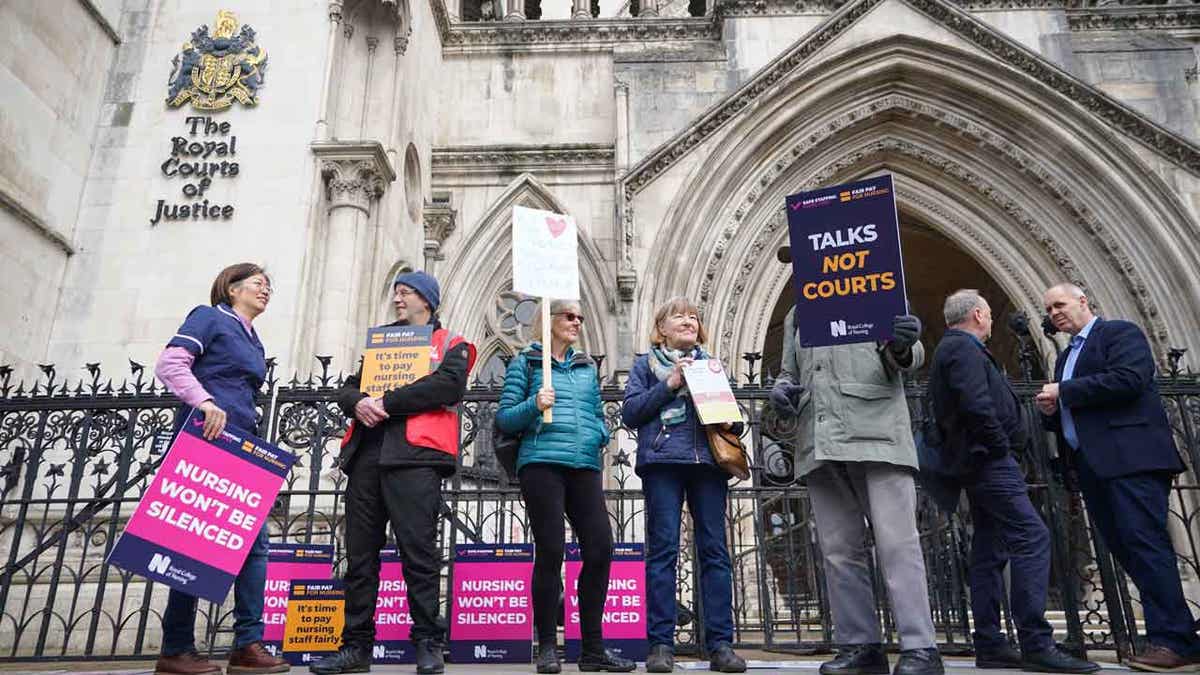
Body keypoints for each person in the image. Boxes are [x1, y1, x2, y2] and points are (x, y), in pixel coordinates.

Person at [770, 248, 942, 675]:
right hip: (819, 441)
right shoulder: (798, 313)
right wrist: (782, 389)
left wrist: (905, 344)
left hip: (876, 434)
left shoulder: (878, 293)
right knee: (838, 550)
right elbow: (790, 371)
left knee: (897, 545)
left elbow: (906, 359)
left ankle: (920, 648)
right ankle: (861, 645)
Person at [311, 271, 476, 675]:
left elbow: (447, 387)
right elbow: (348, 387)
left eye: (406, 293)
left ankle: (427, 642)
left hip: (416, 458)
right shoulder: (384, 341)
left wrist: (385, 400)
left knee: (419, 554)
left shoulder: (450, 343)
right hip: (368, 456)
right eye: (396, 293)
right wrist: (358, 402)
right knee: (361, 557)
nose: (398, 300)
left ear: (427, 301)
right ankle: (356, 646)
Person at [929, 290, 1098, 673]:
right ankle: (1036, 642)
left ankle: (990, 643)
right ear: (977, 314)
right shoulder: (962, 349)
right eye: (988, 315)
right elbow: (976, 404)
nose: (990, 322)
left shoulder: (958, 349)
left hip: (983, 461)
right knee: (1032, 537)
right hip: (989, 462)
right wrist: (1001, 447)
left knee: (990, 551)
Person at [1035, 283, 1199, 671]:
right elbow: (1078, 409)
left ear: (1082, 302)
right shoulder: (1066, 358)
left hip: (1131, 460)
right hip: (1094, 467)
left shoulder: (1118, 333)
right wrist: (1052, 411)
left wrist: (1065, 391)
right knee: (1129, 551)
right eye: (1048, 309)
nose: (1054, 313)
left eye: (1060, 304)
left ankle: (1175, 641)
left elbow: (1129, 379)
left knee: (1146, 545)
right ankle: (1172, 634)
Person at [152, 263, 289, 675]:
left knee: (254, 545)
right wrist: (205, 402)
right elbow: (171, 365)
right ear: (232, 289)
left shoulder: (253, 339)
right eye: (258, 283)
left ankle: (247, 643)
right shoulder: (209, 317)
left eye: (270, 286)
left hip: (241, 446)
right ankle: (176, 648)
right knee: (193, 547)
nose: (266, 290)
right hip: (206, 439)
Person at [495, 299, 634, 674]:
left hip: (583, 464)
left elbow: (594, 412)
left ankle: (592, 649)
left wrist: (600, 435)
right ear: (550, 320)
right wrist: (534, 405)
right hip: (541, 462)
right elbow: (505, 418)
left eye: (580, 317)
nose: (577, 322)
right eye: (570, 316)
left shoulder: (587, 367)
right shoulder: (525, 363)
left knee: (601, 547)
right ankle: (546, 647)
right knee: (552, 549)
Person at [621, 297, 748, 674]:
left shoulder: (711, 365)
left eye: (694, 316)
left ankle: (720, 644)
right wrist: (671, 383)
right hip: (663, 463)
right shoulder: (646, 365)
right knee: (663, 554)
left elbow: (728, 416)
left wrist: (732, 418)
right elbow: (630, 412)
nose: (689, 321)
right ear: (661, 328)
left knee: (715, 553)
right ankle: (660, 645)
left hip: (708, 464)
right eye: (679, 316)